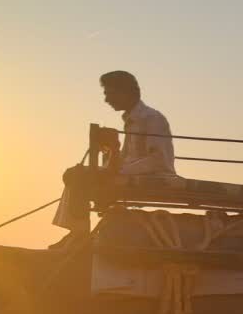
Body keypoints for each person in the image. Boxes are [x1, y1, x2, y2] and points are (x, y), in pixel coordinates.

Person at [51, 70, 176, 237]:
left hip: (156, 174)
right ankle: (76, 230)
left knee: (79, 176)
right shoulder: (132, 120)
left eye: (109, 93)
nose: (106, 99)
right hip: (132, 171)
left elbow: (158, 160)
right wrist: (111, 153)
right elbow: (125, 158)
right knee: (74, 174)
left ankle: (78, 233)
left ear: (124, 92)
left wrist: (118, 171)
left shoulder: (151, 118)